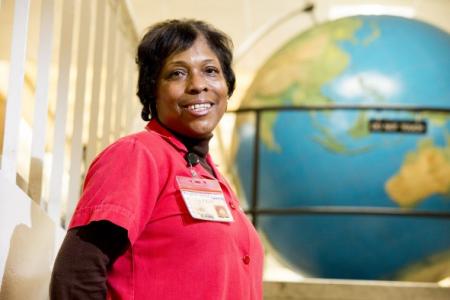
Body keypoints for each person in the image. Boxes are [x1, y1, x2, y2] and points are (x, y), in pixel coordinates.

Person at [50, 19, 264, 299]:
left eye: (211, 71)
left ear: (226, 85)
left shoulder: (211, 175)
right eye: (177, 73)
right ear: (152, 90)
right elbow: (76, 276)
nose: (198, 85)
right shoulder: (137, 155)